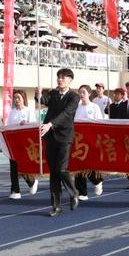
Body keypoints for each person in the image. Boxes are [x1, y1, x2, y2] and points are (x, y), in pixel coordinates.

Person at [35, 68, 80, 217]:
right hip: (51, 137)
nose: (60, 79)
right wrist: (38, 93)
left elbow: (66, 114)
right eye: (58, 77)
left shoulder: (74, 97)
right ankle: (56, 206)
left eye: (63, 77)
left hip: (64, 137)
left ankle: (74, 193)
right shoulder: (53, 93)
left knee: (61, 169)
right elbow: (43, 100)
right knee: (53, 173)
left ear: (70, 80)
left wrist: (50, 124)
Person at [74, 84, 104, 200]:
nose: (81, 94)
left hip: (91, 140)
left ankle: (97, 180)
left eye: (83, 92)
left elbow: (100, 123)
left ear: (89, 94)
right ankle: (82, 192)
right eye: (80, 92)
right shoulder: (77, 107)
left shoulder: (94, 107)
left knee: (88, 165)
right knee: (78, 165)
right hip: (78, 141)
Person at [6, 91, 38, 199]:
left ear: (23, 98)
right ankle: (15, 191)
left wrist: (26, 123)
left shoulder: (29, 111)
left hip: (26, 143)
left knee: (23, 165)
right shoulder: (12, 112)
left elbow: (34, 125)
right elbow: (8, 127)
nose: (16, 100)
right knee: (13, 166)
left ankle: (32, 181)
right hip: (14, 143)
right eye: (15, 98)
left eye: (18, 98)